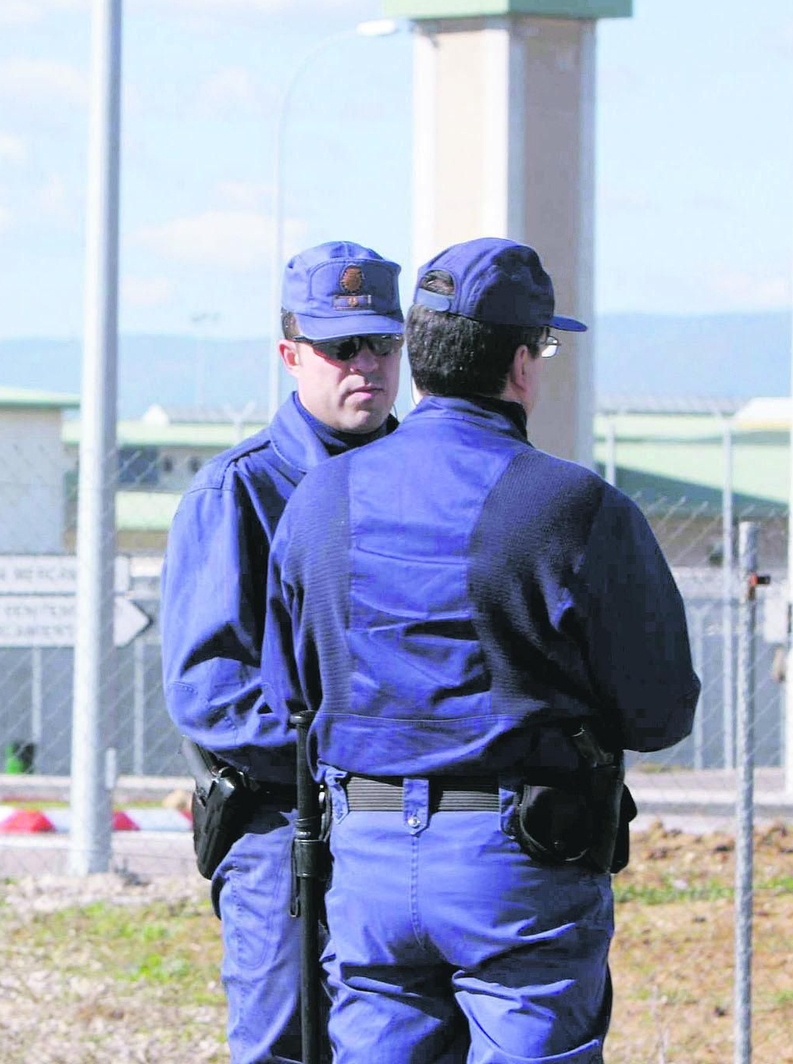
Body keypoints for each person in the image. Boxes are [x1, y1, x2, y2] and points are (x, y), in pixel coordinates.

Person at [259, 236, 699, 1062]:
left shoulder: (319, 499)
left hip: (367, 858)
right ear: (522, 365)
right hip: (519, 863)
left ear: (416, 356)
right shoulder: (576, 508)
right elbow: (660, 709)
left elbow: (293, 696)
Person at [160, 239, 406, 1064]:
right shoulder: (241, 491)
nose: (364, 366)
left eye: (382, 343)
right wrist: (352, 751)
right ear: (290, 353)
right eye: (341, 347)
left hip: (406, 825)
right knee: (281, 1046)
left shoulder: (425, 481)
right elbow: (212, 692)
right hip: (283, 825)